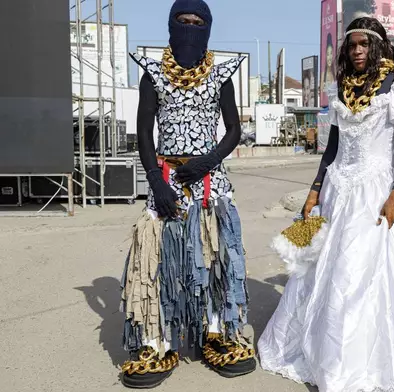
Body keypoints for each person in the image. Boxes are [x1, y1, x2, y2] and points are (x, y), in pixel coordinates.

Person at [259, 17, 394, 392]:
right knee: (323, 271)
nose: (358, 51)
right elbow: (332, 147)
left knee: (358, 271)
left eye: (364, 45)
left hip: (376, 193)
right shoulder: (341, 89)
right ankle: (324, 354)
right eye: (352, 46)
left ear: (377, 46)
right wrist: (315, 189)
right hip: (337, 190)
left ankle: (354, 363)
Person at [118, 0, 255, 388]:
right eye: (183, 21)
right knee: (155, 260)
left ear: (208, 27)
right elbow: (145, 131)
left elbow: (232, 130)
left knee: (216, 258)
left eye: (197, 22)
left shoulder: (221, 74)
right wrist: (155, 181)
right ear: (171, 25)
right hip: (165, 178)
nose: (190, 28)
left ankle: (216, 333)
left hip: (211, 181)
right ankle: (156, 340)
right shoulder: (153, 73)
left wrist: (206, 161)